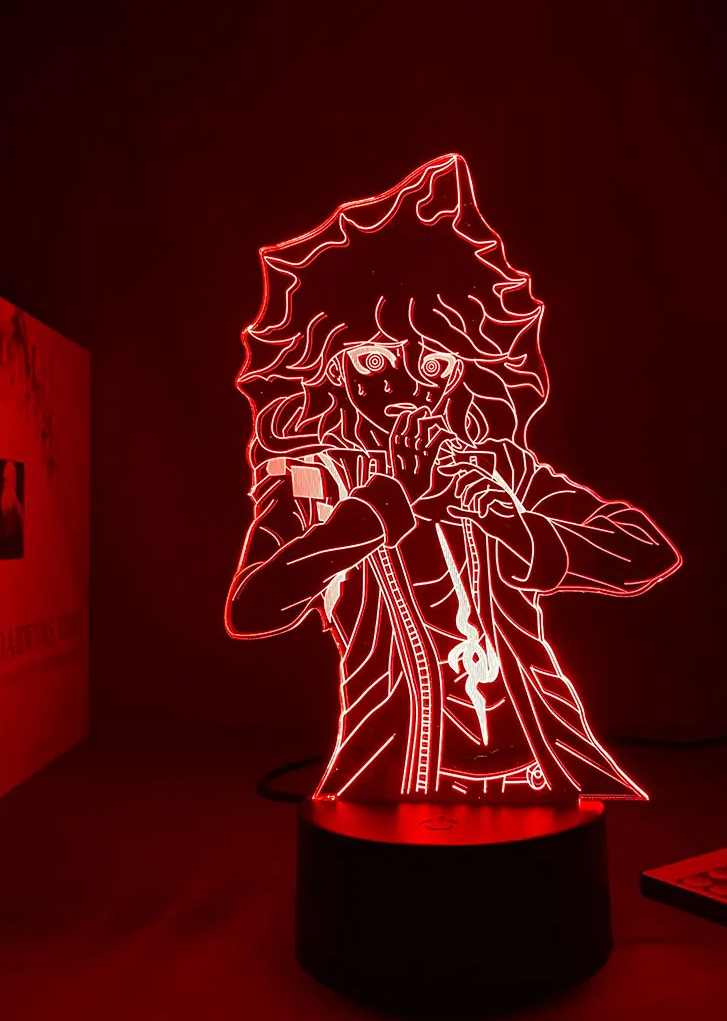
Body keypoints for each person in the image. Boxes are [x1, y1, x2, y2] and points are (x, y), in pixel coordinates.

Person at [225, 154, 681, 803]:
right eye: (376, 360)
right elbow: (251, 607)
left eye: (436, 363)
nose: (407, 387)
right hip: (391, 777)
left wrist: (511, 524)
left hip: (546, 768)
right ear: (328, 366)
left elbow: (646, 553)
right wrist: (382, 506)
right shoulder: (310, 477)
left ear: (466, 371)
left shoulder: (499, 465)